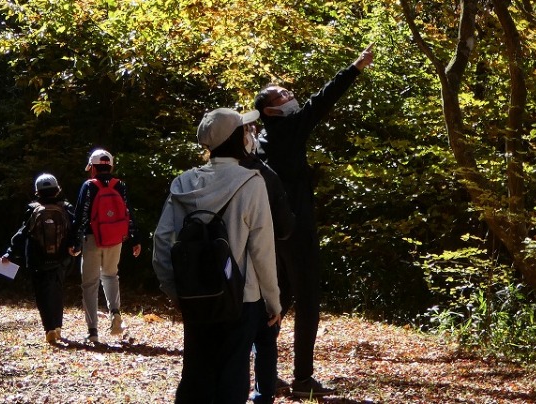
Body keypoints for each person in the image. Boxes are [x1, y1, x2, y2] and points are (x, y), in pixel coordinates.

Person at [253, 45, 374, 397]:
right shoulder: (287, 129)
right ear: (270, 110)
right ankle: (303, 379)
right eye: (283, 95)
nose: (291, 96)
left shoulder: (262, 139)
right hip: (297, 228)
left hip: (273, 230)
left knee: (277, 300)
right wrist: (355, 67)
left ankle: (266, 375)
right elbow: (323, 100)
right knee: (306, 300)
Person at [153, 107, 282, 404]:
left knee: (196, 374)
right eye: (244, 130)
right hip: (242, 298)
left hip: (195, 296)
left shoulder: (183, 183)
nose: (250, 135)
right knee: (233, 377)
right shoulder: (251, 182)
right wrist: (272, 300)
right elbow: (262, 249)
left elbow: (161, 241)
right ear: (235, 139)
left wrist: (174, 290)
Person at [242, 126, 295, 404]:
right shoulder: (264, 176)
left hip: (214, 277)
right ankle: (263, 395)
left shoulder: (196, 179)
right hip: (258, 274)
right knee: (265, 335)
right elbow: (285, 228)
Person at [69, 148, 142, 344]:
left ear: (93, 167)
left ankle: (93, 331)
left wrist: (75, 242)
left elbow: (81, 216)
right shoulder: (121, 185)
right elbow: (128, 212)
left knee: (90, 284)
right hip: (115, 239)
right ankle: (115, 314)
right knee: (110, 275)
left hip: (92, 239)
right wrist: (134, 238)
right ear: (110, 165)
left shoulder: (89, 185)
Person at [2, 172, 75, 346]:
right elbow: (75, 230)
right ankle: (58, 327)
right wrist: (76, 247)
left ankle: (48, 327)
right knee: (57, 290)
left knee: (41, 293)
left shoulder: (32, 209)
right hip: (61, 258)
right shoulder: (66, 207)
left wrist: (10, 252)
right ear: (57, 190)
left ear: (37, 191)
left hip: (37, 259)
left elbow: (22, 233)